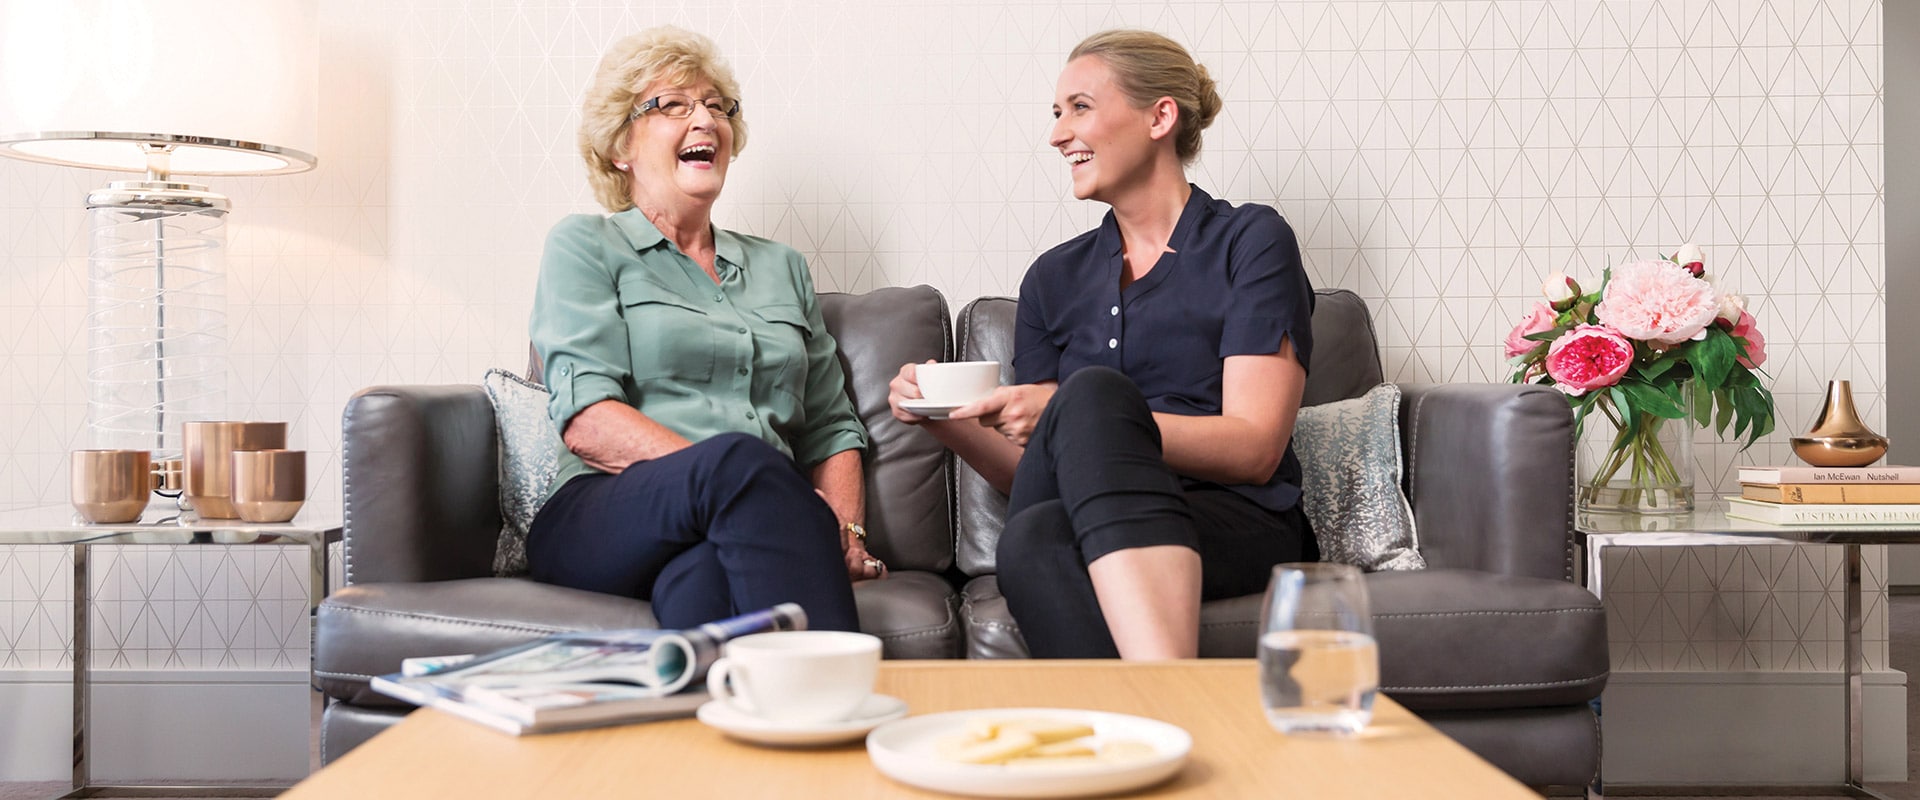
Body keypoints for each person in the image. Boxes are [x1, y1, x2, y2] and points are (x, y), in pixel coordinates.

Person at [888, 30, 1318, 659]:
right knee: (1036, 526)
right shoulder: (1051, 279)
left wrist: (1082, 415)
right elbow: (1028, 471)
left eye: (1079, 107)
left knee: (1075, 437)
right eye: (1057, 114)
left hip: (1229, 520)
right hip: (1070, 506)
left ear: (1159, 116)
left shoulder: (1250, 242)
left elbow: (1255, 447)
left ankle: (1148, 710)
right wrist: (946, 423)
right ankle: (1158, 719)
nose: (1059, 134)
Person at [528, 26, 882, 633]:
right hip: (606, 511)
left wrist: (846, 532)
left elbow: (831, 426)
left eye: (717, 105)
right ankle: (847, 702)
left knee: (704, 583)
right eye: (672, 105)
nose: (706, 119)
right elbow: (588, 421)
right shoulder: (587, 246)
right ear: (621, 146)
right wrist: (764, 489)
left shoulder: (782, 267)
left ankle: (721, 719)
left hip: (740, 525)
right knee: (739, 467)